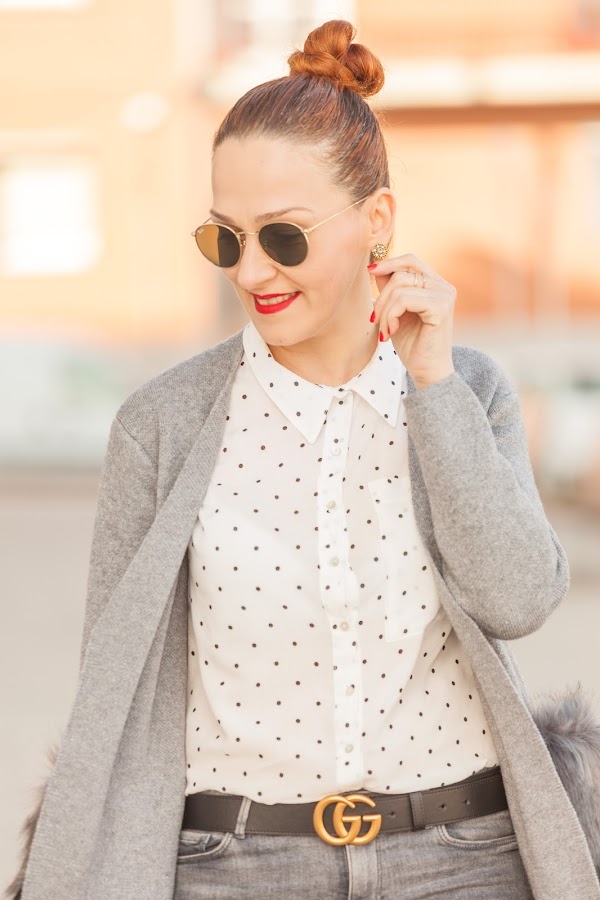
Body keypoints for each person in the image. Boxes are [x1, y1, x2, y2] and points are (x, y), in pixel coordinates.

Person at [13, 18, 600, 900]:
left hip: (466, 862)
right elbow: (118, 696)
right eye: (225, 239)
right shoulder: (161, 425)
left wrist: (434, 386)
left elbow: (519, 598)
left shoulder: (466, 389)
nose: (252, 272)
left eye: (283, 237)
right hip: (236, 868)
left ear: (377, 221)